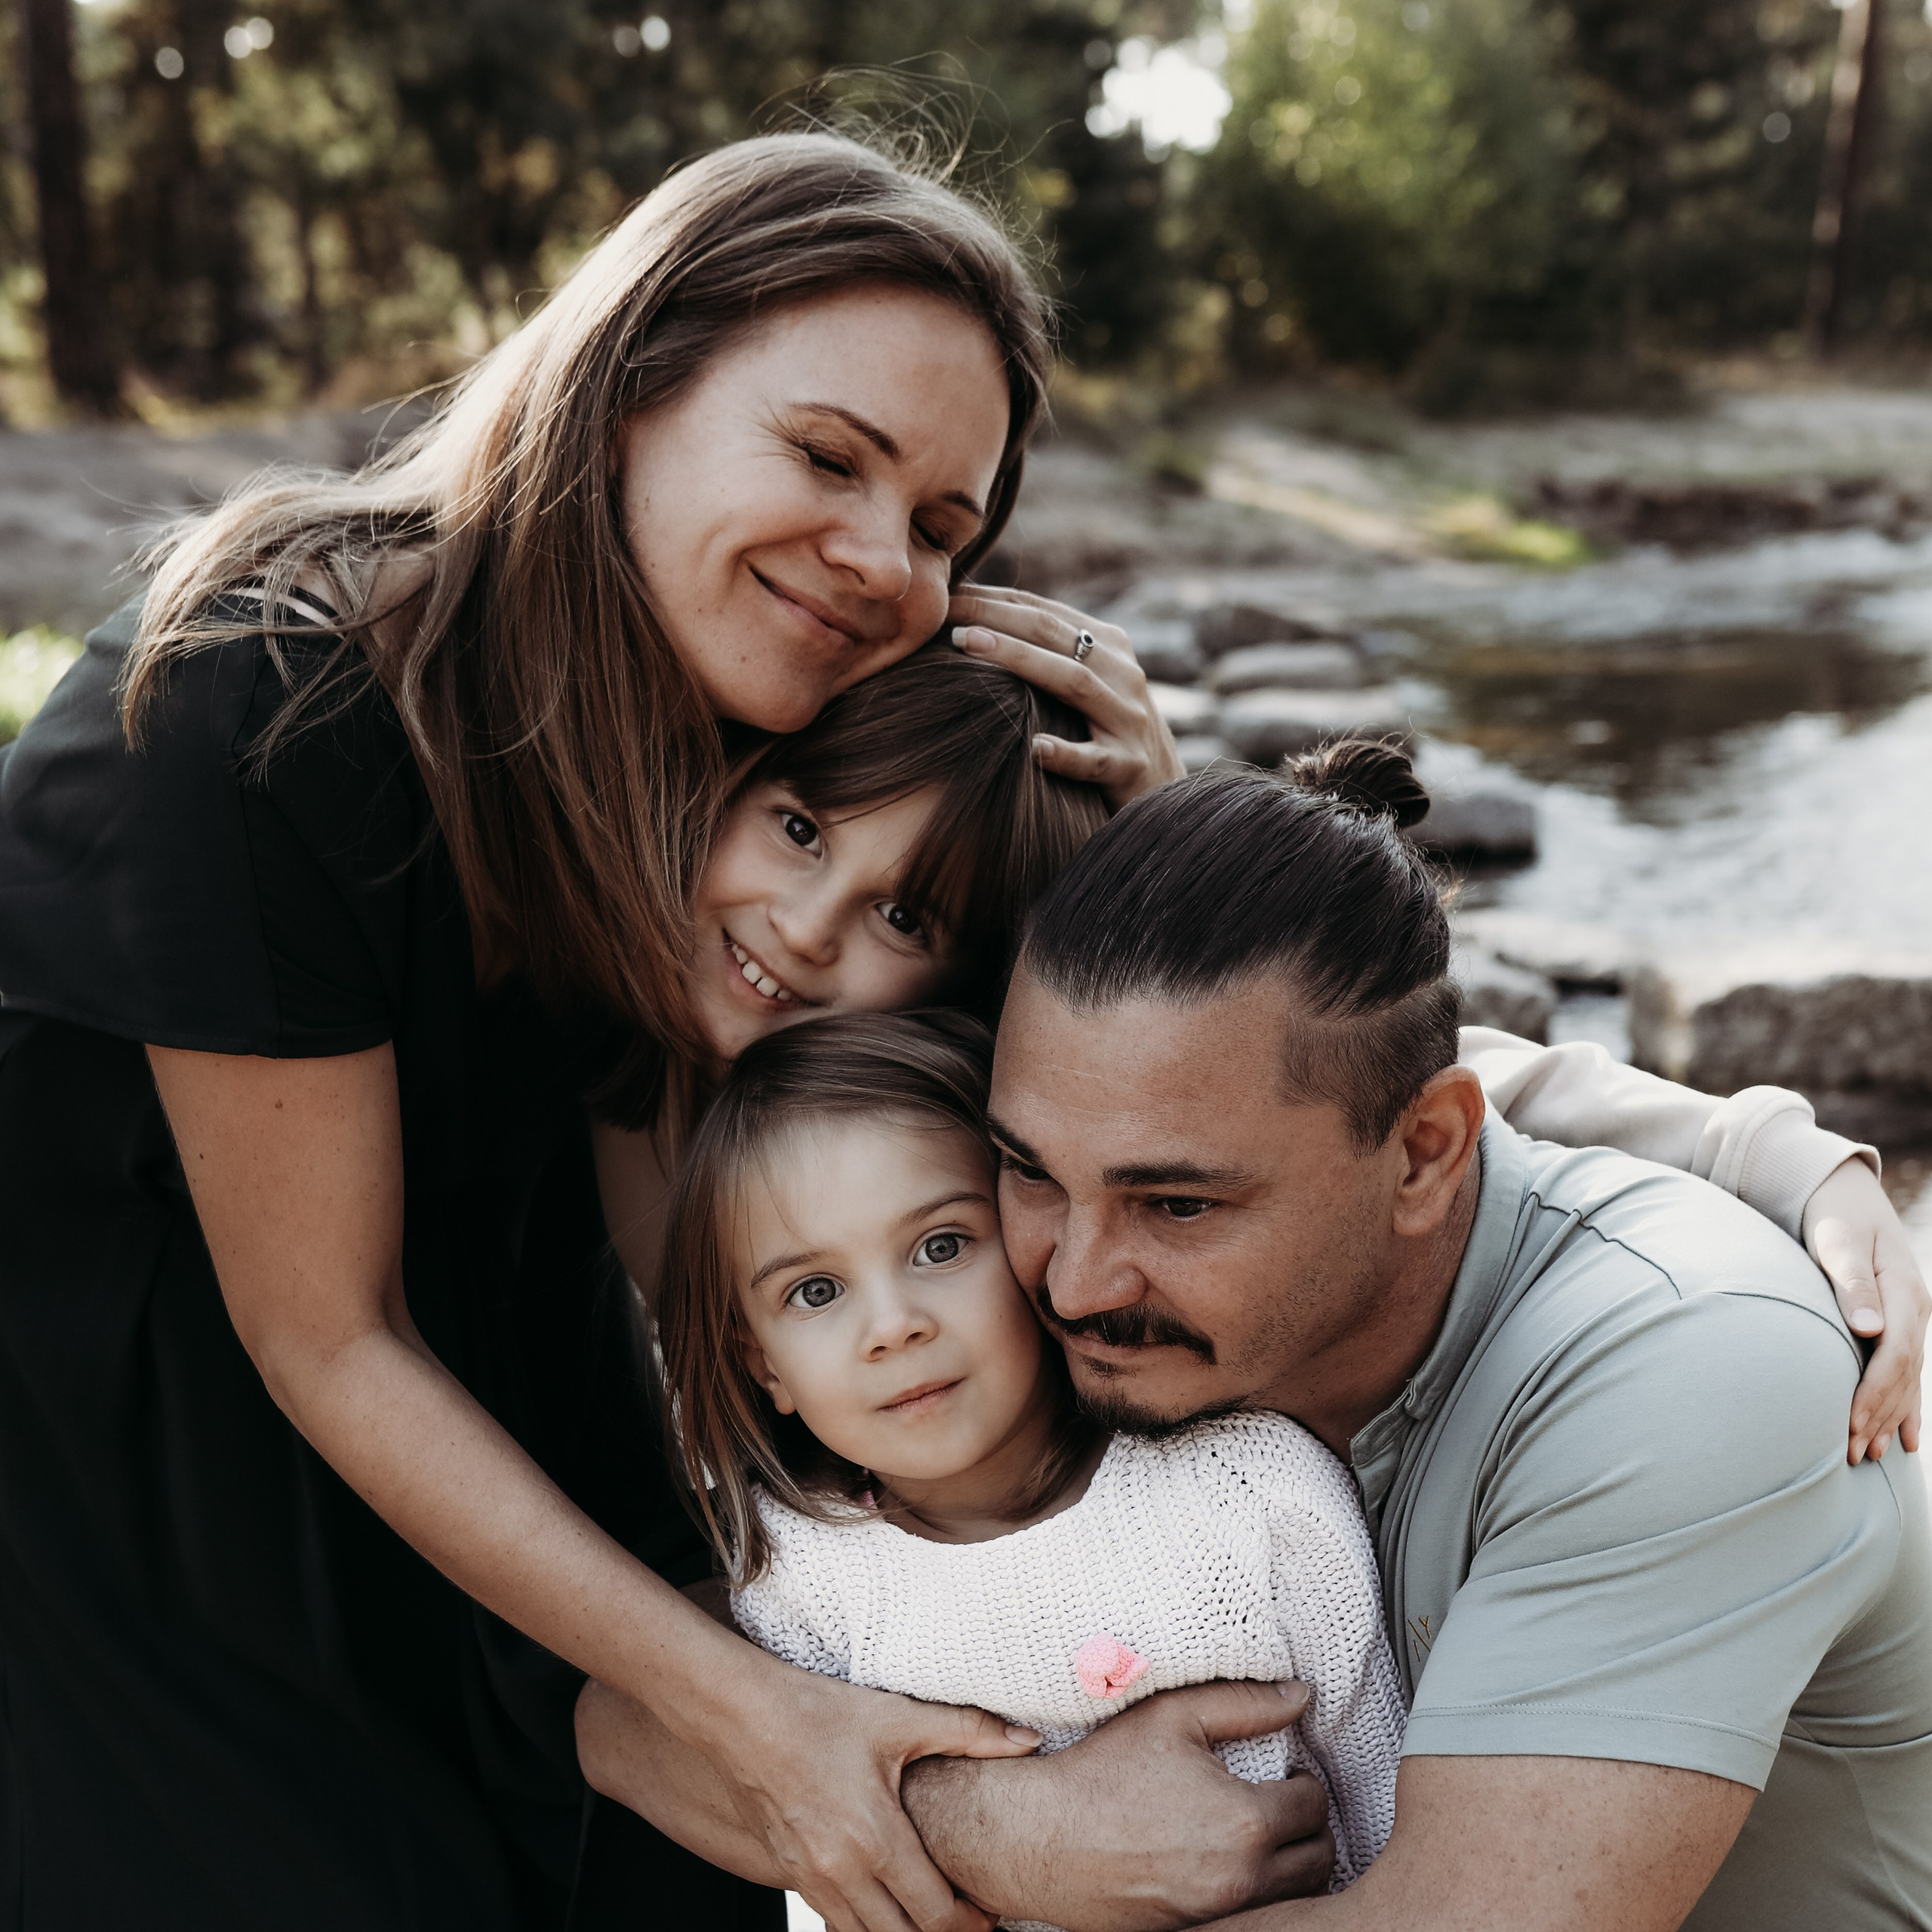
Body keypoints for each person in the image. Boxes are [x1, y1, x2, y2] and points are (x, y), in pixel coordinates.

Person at [0, 131, 1191, 1932]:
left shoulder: (719, 755)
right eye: (824, 456)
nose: (878, 558)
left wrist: (1153, 860)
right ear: (626, 386)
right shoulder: (248, 710)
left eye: (942, 529)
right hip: (139, 1475)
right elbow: (323, 1334)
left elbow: (727, 1217)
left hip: (492, 1411)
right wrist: (763, 1715)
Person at [884, 743, 1926, 1931]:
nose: (1071, 1282)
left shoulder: (1687, 1364)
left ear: (1426, 1153)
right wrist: (962, 1805)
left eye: (1178, 1205)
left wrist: (983, 1834)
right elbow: (644, 1710)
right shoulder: (1097, 1291)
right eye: (1025, 1169)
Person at [651, 1010, 1407, 1923]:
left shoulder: (1252, 1492)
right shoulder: (805, 1587)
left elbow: (1381, 1799)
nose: (893, 1325)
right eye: (815, 1291)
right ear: (762, 1363)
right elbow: (841, 1877)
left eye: (941, 1245)